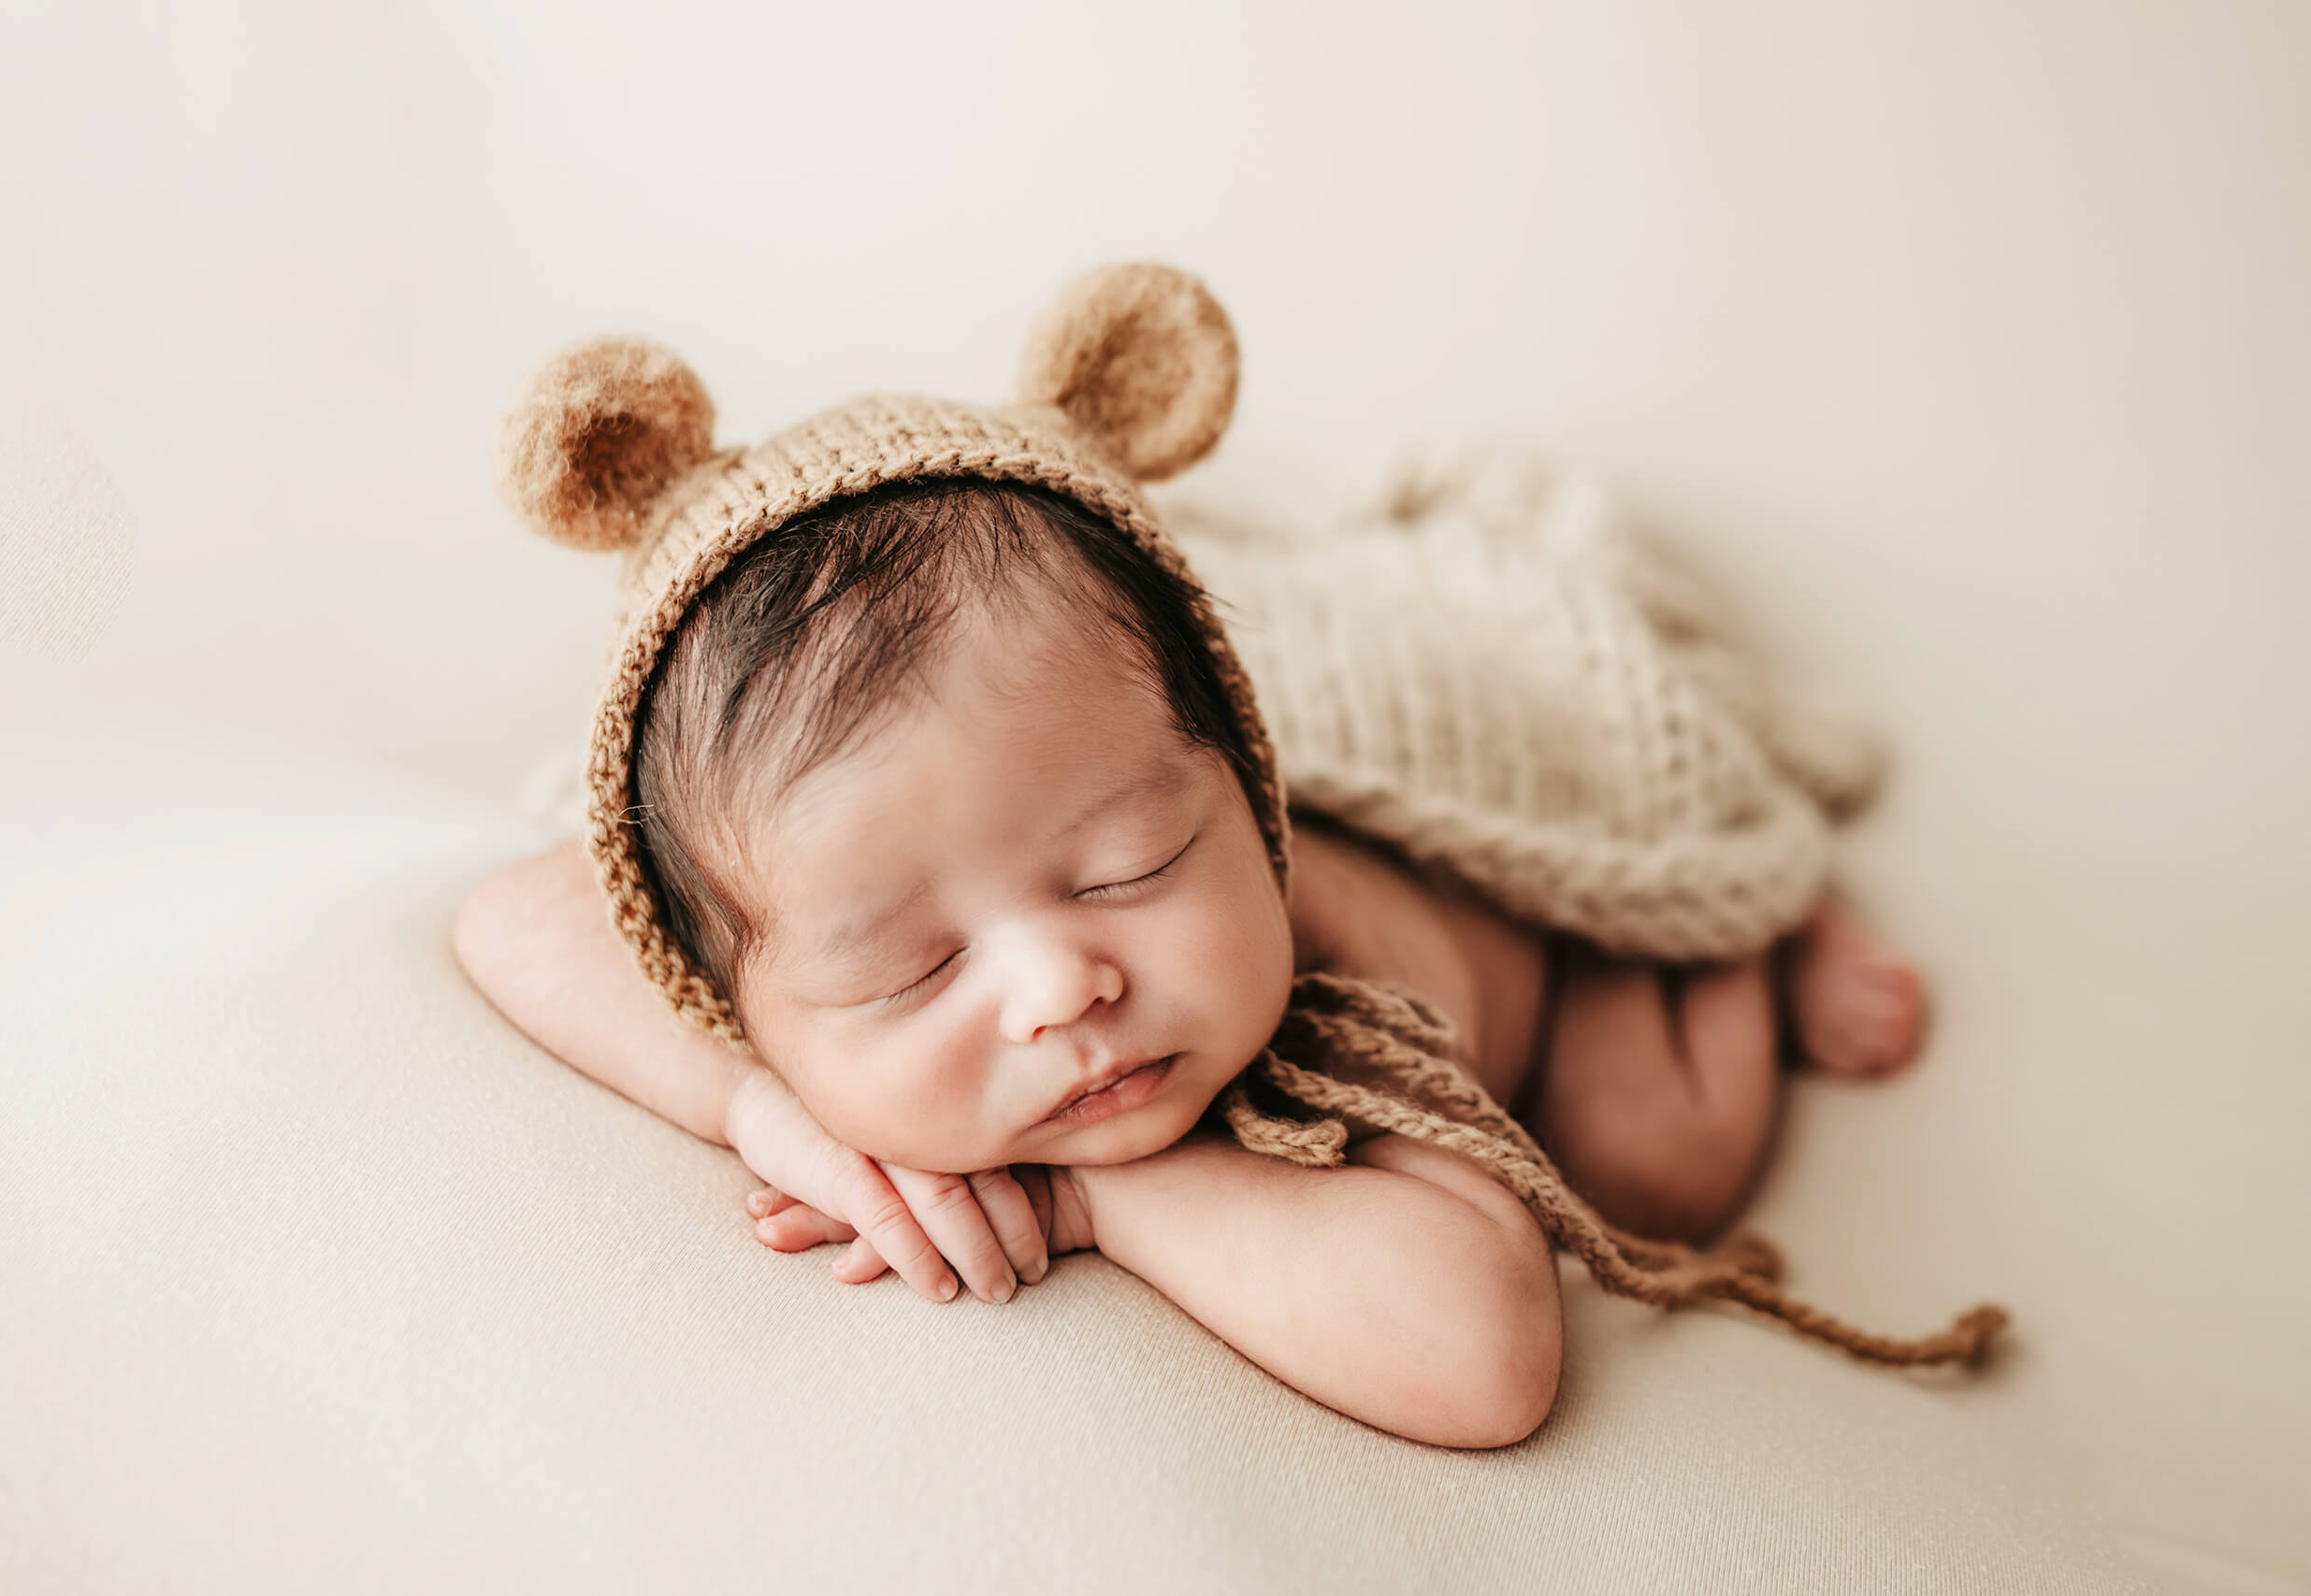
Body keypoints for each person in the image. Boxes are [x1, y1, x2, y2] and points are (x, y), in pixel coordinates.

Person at [452, 264, 1974, 1452]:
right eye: (911, 966)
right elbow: (517, 918)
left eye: (1129, 866)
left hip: (1517, 900)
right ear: (731, 988)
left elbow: (1485, 1357)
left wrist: (1104, 1200)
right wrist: (769, 1111)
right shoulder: (765, 918)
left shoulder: (1331, 1003)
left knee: (1656, 1157)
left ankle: (1738, 925)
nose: (1059, 983)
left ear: (1243, 805)